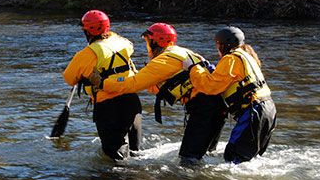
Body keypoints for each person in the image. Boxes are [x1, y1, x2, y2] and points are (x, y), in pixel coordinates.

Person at [89, 22, 227, 167]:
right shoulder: (182, 52)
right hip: (217, 107)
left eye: (148, 41)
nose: (147, 46)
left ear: (156, 42)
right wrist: (138, 74)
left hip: (205, 110)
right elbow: (159, 87)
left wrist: (102, 83)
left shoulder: (163, 60)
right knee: (206, 156)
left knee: (188, 160)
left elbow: (132, 85)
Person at [184, 26, 276, 164]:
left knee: (234, 158)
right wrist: (206, 66)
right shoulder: (246, 56)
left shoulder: (231, 58)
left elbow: (211, 87)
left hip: (253, 112)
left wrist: (193, 68)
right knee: (249, 160)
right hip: (268, 109)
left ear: (223, 45)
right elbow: (227, 78)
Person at [63, 10, 142, 162]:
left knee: (116, 159)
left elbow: (69, 78)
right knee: (134, 154)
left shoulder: (87, 54)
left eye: (84, 29)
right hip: (132, 102)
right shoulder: (123, 42)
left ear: (88, 31)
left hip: (109, 108)